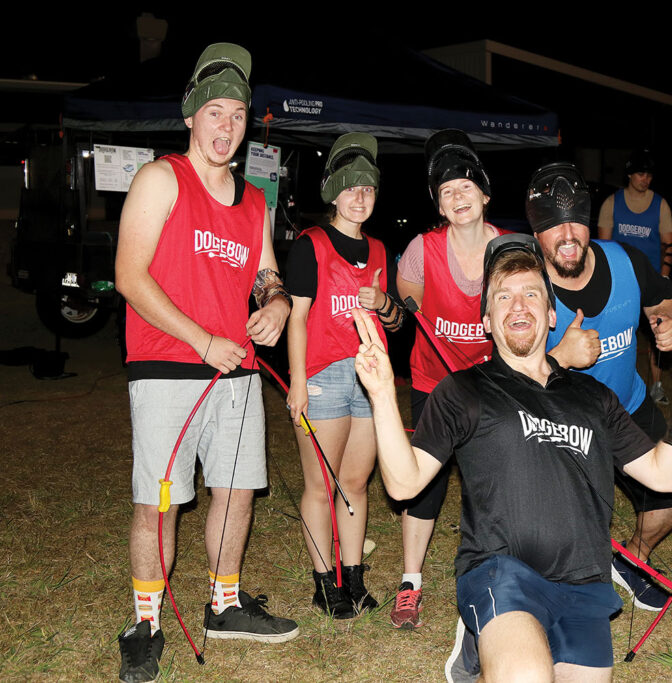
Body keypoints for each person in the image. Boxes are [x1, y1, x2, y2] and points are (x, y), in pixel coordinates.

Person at [352, 234, 672, 682]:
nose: (518, 305)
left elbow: (663, 475)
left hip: (585, 586)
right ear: (487, 321)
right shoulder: (464, 391)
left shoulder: (594, 397)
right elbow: (404, 483)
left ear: (552, 314)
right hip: (501, 574)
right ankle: (489, 634)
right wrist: (382, 393)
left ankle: (480, 656)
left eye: (531, 293)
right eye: (503, 296)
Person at [114, 43, 297, 683]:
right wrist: (199, 339)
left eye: (238, 116)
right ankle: (146, 623)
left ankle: (224, 603)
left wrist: (275, 307)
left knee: (237, 491)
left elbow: (268, 274)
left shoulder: (254, 203)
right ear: (191, 116)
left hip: (240, 375)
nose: (226, 128)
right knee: (159, 503)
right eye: (214, 112)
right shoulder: (160, 179)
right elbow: (130, 276)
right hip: (169, 367)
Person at [525, 162, 672, 613]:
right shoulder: (524, 286)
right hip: (561, 424)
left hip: (627, 408)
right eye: (552, 226)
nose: (568, 235)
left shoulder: (624, 259)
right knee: (558, 529)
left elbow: (662, 299)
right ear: (535, 234)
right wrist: (561, 356)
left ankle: (631, 558)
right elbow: (509, 378)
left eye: (575, 221)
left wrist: (665, 325)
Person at [284, 133, 404, 617]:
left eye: (369, 189)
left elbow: (395, 321)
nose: (360, 197)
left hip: (369, 377)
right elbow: (296, 317)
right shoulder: (310, 245)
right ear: (332, 192)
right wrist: (296, 382)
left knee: (355, 481)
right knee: (320, 484)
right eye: (351, 188)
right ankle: (323, 582)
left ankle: (352, 578)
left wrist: (383, 303)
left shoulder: (378, 250)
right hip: (322, 375)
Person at [391, 129, 506, 629]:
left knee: (496, 480)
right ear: (439, 204)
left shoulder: (507, 247)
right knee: (425, 484)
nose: (457, 198)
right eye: (446, 191)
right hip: (433, 382)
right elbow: (406, 294)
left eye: (465, 187)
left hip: (491, 383)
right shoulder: (422, 247)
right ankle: (410, 583)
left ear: (484, 194)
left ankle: (500, 571)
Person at [598, 149, 672, 403]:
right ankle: (613, 388)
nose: (646, 179)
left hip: (650, 282)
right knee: (616, 337)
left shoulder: (660, 204)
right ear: (630, 174)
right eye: (642, 174)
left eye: (649, 175)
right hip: (621, 282)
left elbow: (668, 245)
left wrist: (664, 277)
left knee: (659, 333)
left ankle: (657, 387)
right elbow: (603, 247)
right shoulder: (612, 203)